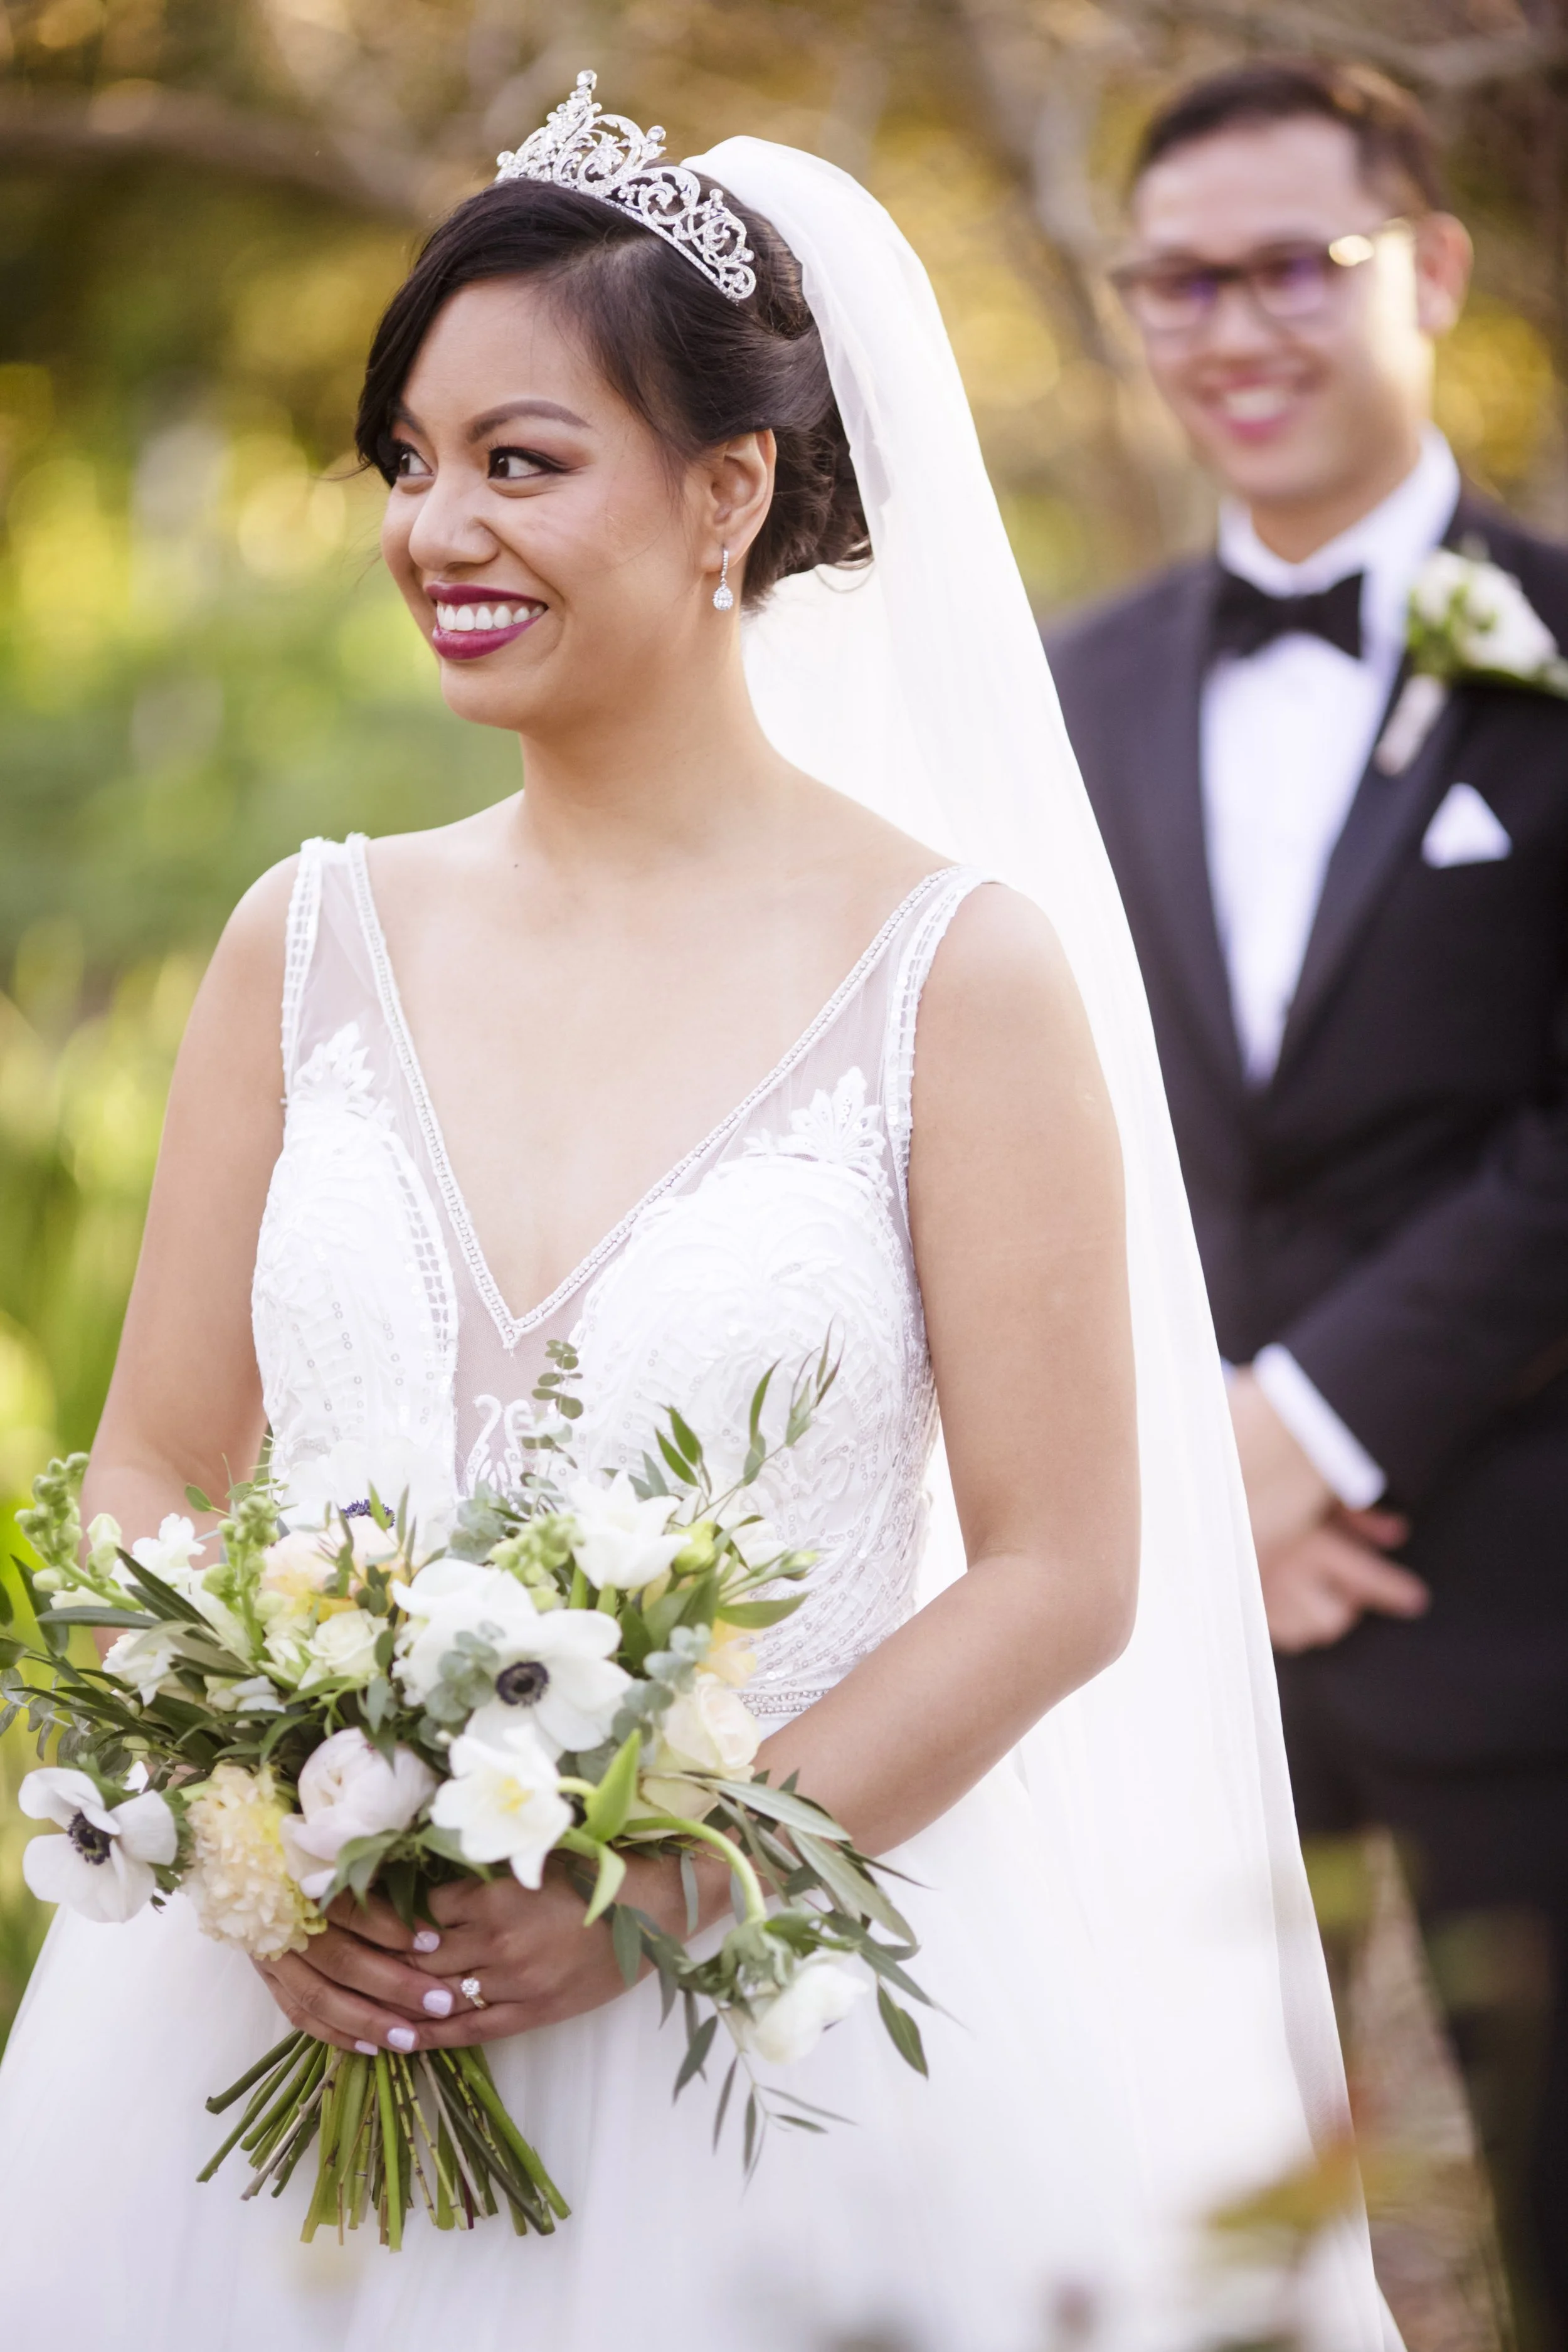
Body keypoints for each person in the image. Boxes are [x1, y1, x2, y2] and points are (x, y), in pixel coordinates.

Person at [0, 77, 1394, 2352]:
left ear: (730, 489)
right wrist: (251, 1838)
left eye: (521, 460)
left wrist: (658, 1882)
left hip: (770, 2045)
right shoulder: (304, 937)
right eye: (411, 461)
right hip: (265, 2034)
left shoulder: (959, 969)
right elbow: (157, 1459)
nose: (439, 522)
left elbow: (1059, 1567)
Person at [1046, 56, 1568, 2349]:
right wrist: (1196, 1463)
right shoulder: (1061, 690)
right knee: (1197, 2249)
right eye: (1177, 281)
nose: (1229, 328)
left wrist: (1309, 1426)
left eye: (1291, 266)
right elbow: (1031, 1121)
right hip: (1161, 1623)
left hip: (1516, 1599)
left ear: (1428, 269)